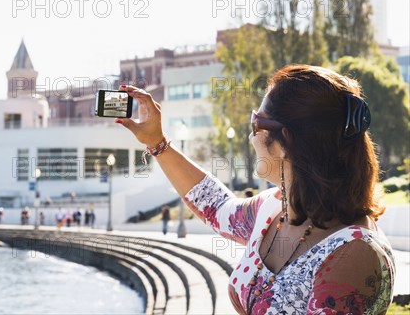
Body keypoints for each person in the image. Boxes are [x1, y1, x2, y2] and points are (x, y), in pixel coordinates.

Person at [115, 65, 395, 314]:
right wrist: (157, 141)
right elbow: (216, 207)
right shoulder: (274, 209)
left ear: (285, 142)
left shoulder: (354, 255)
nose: (251, 136)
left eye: (256, 123)